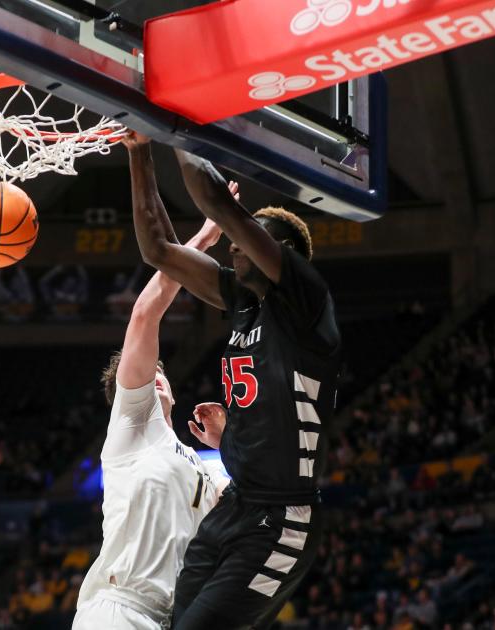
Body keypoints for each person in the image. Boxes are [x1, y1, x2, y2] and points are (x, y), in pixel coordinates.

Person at [122, 132, 341, 629]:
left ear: (282, 253)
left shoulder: (305, 301)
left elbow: (217, 203)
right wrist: (139, 151)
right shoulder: (244, 301)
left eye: (250, 239)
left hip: (282, 520)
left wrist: (173, 124)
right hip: (235, 507)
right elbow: (158, 250)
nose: (235, 250)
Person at [74, 218, 229, 629]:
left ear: (174, 391)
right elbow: (144, 315)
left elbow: (255, 495)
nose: (155, 374)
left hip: (170, 619)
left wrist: (229, 444)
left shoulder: (205, 468)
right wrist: (198, 245)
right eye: (147, 373)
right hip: (118, 610)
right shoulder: (134, 428)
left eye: (162, 372)